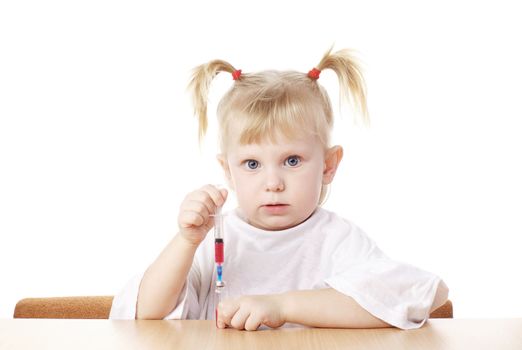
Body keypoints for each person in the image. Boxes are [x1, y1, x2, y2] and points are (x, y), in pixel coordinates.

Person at [109, 47, 449, 331]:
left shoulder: (337, 239)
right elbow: (143, 315)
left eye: (292, 160)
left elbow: (422, 294)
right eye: (252, 164)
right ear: (227, 170)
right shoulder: (214, 238)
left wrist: (282, 306)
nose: (273, 183)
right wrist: (186, 241)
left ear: (329, 165)